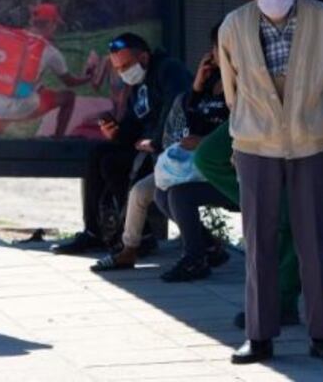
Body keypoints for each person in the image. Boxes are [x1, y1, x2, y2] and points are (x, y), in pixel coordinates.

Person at [191, 0, 323, 331]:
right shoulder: (245, 8)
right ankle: (270, 299)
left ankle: (288, 303)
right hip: (260, 119)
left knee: (306, 227)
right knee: (211, 159)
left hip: (307, 119)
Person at [218, 0, 323, 365]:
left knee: (314, 242)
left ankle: (321, 333)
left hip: (313, 142)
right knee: (258, 242)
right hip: (257, 145)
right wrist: (247, 129)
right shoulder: (234, 25)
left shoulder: (322, 18)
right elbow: (230, 87)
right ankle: (258, 336)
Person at [91, 24, 232, 281]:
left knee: (171, 193)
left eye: (125, 66)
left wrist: (164, 142)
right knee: (142, 185)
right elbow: (186, 117)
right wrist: (198, 87)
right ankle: (131, 247)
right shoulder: (208, 80)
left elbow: (240, 129)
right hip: (188, 162)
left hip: (222, 166)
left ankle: (193, 256)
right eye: (215, 48)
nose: (122, 73)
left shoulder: (172, 71)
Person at [51, 33, 188, 254]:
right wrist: (116, 132)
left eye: (125, 65)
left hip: (171, 149)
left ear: (143, 58)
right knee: (98, 152)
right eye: (117, 67)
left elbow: (176, 105)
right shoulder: (138, 86)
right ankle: (93, 232)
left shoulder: (168, 69)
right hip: (147, 146)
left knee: (112, 163)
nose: (121, 72)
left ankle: (140, 235)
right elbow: (133, 125)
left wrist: (157, 140)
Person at [0, 3, 93, 138]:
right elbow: (70, 82)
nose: (55, 29)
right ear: (51, 24)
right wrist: (89, 77)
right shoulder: (50, 51)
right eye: (55, 25)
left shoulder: (11, 36)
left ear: (32, 22)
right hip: (24, 108)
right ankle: (58, 139)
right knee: (69, 97)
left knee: (33, 87)